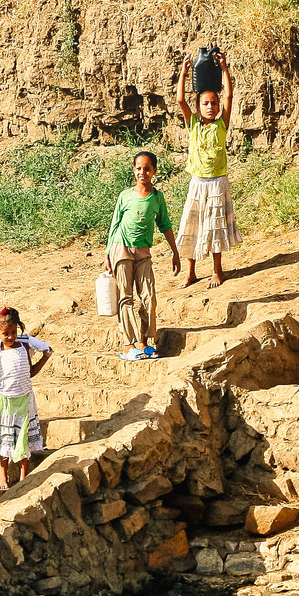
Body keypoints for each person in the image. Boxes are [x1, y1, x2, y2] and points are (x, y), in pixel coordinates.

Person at [106, 150, 182, 361]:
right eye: (139, 168)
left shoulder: (157, 198)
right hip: (121, 248)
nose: (143, 172)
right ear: (134, 170)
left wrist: (175, 252)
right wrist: (107, 255)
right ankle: (129, 346)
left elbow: (165, 225)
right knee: (125, 297)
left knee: (149, 296)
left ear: (154, 171)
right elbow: (114, 225)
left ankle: (144, 342)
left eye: (147, 169)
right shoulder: (125, 196)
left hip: (143, 252)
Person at [174, 48, 240, 289]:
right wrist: (184, 73)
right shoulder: (193, 124)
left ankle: (217, 271)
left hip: (217, 183)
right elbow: (181, 100)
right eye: (205, 103)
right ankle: (190, 272)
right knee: (192, 224)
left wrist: (225, 70)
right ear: (198, 106)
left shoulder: (221, 125)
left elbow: (230, 98)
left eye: (213, 102)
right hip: (198, 182)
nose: (210, 106)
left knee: (215, 226)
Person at [0, 307, 51, 489]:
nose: (10, 337)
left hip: (24, 398)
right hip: (5, 401)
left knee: (22, 437)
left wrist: (45, 358)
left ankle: (24, 475)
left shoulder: (25, 346)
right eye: (5, 333)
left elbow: (30, 373)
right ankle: (3, 476)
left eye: (13, 332)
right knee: (5, 438)